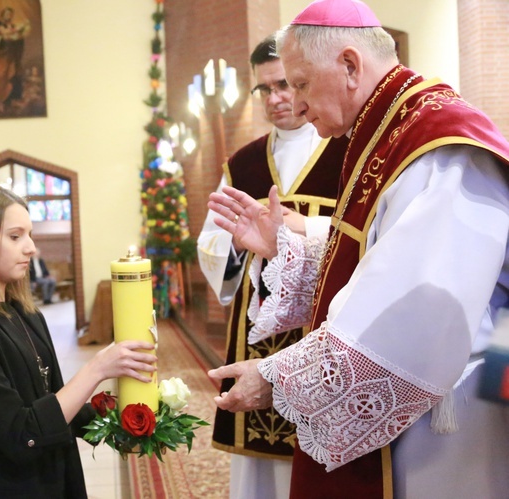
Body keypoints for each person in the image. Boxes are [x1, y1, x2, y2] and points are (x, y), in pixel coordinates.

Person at [206, 1, 509, 498]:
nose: (297, 105)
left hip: (447, 415)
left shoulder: (439, 147)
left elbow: (414, 309)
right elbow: (387, 249)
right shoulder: (389, 129)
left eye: (301, 83)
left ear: (349, 65)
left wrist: (276, 377)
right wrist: (293, 246)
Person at [0, 183, 157, 497]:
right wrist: (96, 369)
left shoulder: (25, 313)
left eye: (30, 235)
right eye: (15, 236)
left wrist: (128, 413)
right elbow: (22, 434)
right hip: (10, 487)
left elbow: (54, 402)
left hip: (58, 479)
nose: (31, 248)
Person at [196, 34, 346, 499]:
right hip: (256, 327)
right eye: (265, 89)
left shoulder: (346, 149)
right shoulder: (242, 164)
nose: (277, 98)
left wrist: (301, 232)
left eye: (285, 84)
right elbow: (211, 242)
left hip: (323, 325)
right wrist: (244, 246)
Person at [0, 7, 30, 113]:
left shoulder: (12, 26)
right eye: (7, 14)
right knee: (0, 77)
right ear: (3, 15)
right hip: (1, 56)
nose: (9, 16)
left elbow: (17, 38)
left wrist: (19, 35)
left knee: (12, 75)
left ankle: (9, 101)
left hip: (11, 56)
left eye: (10, 14)